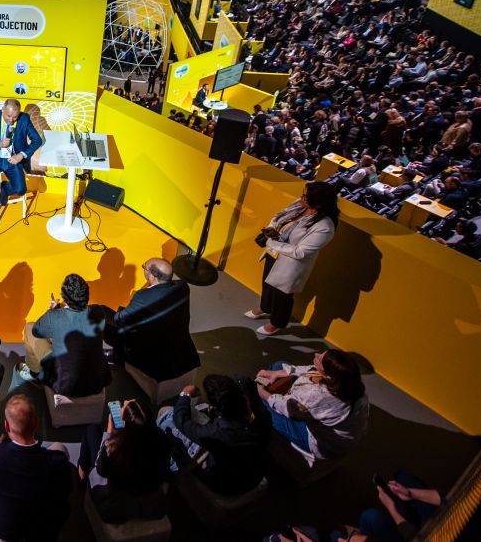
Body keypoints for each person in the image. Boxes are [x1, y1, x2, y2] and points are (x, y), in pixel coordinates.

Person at [246, 182, 340, 337]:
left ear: (318, 203)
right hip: (274, 254)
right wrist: (271, 228)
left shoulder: (325, 226)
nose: (301, 198)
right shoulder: (300, 204)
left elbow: (301, 252)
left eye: (306, 196)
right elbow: (280, 216)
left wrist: (271, 243)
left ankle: (277, 323)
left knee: (282, 295)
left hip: (290, 264)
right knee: (267, 284)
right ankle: (265, 307)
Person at [0, 394, 73, 542]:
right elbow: (64, 502)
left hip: (4, 532)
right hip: (45, 533)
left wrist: (0, 449)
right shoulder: (58, 462)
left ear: (7, 426)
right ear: (36, 423)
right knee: (60, 447)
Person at [158, 374, 270, 496]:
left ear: (217, 408)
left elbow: (182, 422)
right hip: (256, 473)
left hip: (229, 485)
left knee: (170, 417)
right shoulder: (262, 416)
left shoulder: (216, 433)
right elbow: (245, 382)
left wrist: (185, 394)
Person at [255, 349, 369, 460]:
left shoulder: (320, 396)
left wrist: (262, 392)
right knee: (279, 365)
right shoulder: (348, 382)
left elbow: (289, 407)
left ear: (328, 375)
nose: (316, 355)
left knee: (262, 404)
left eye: (320, 359)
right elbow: (312, 369)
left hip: (323, 443)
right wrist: (276, 373)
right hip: (319, 415)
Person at [106, 256, 200, 384]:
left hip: (158, 360)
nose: (144, 269)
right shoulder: (183, 286)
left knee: (106, 320)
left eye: (144, 267)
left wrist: (116, 310)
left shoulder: (143, 297)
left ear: (153, 276)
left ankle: (119, 356)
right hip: (183, 352)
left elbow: (120, 319)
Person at [77, 398, 169, 524]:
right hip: (152, 508)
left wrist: (109, 434)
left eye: (123, 407)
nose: (124, 401)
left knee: (92, 430)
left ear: (125, 424)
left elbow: (101, 470)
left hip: (116, 510)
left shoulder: (115, 450)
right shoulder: (163, 443)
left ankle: (82, 476)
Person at [27, 273, 112, 398]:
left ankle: (34, 374)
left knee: (29, 328)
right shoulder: (99, 311)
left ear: (64, 297)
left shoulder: (53, 316)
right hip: (98, 381)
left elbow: (37, 331)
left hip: (65, 386)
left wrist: (53, 311)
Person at [0, 99, 43, 251]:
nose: (11, 120)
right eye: (8, 116)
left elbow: (37, 141)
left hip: (12, 159)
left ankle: (5, 188)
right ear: (2, 111)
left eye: (15, 117)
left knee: (20, 189)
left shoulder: (24, 119)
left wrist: (21, 155)